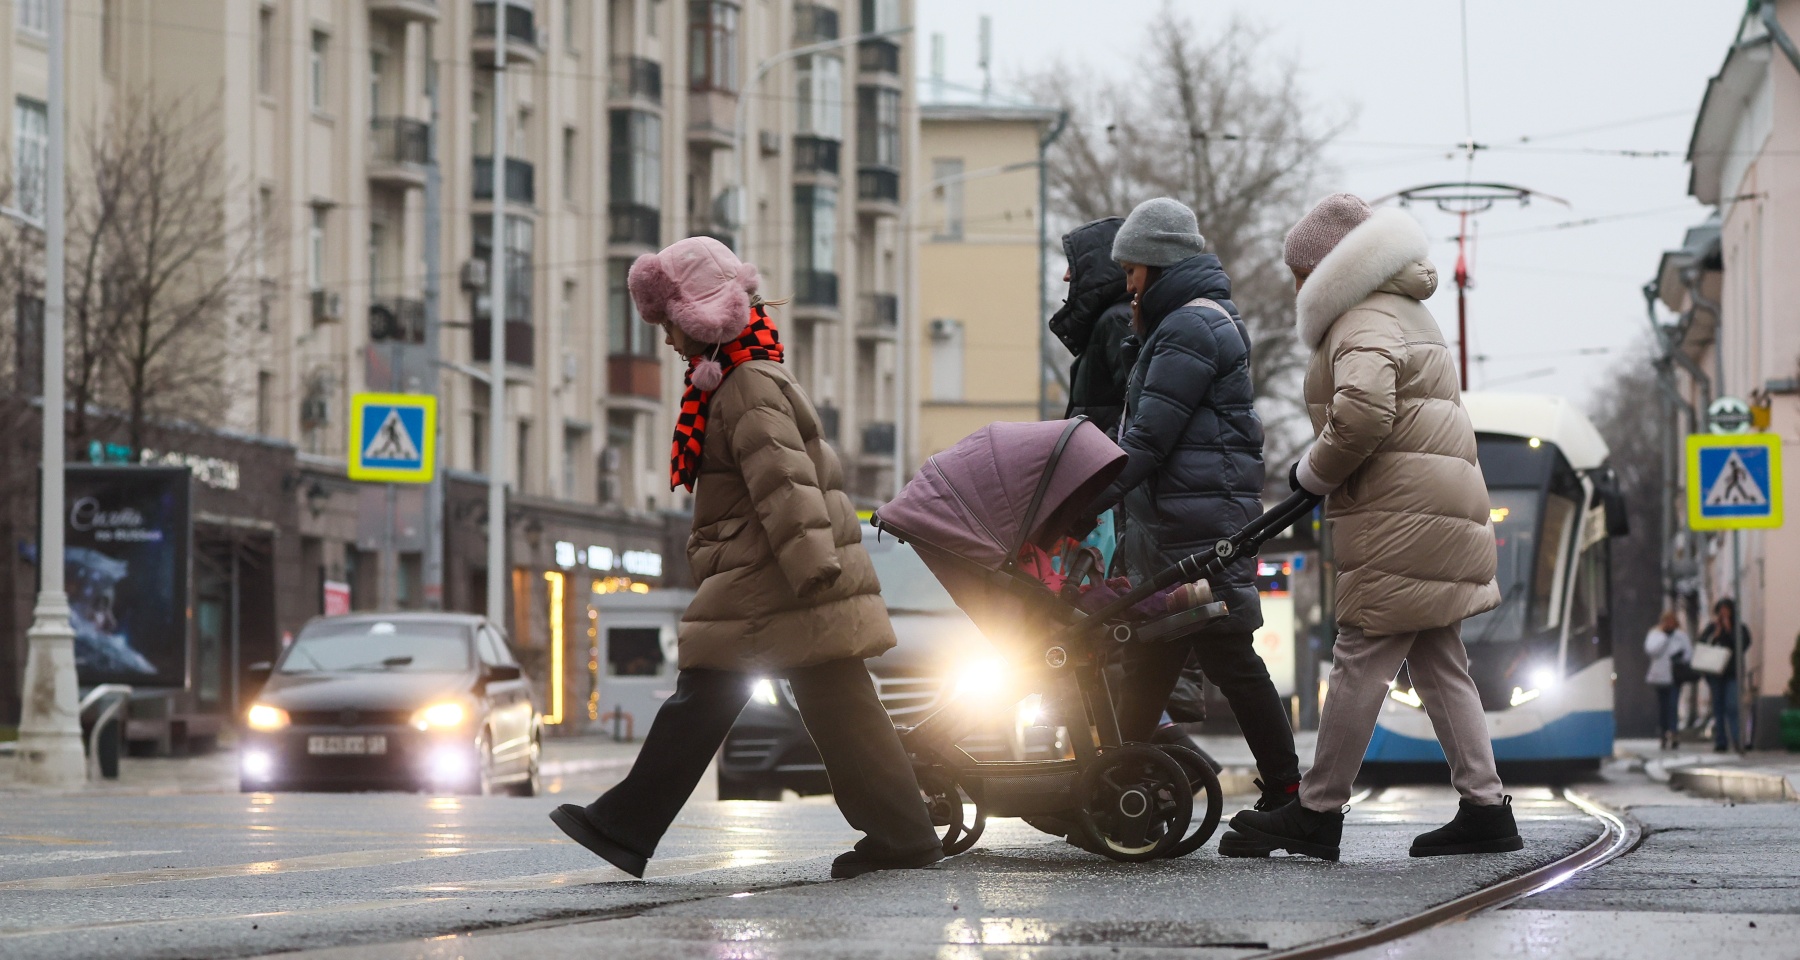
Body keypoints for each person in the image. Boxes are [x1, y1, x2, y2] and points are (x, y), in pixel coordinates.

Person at [549, 237, 943, 880]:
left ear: (700, 314)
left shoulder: (744, 383)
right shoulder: (745, 372)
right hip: (777, 571)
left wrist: (815, 566)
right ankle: (904, 835)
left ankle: (625, 824)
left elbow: (783, 480)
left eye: (672, 323)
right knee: (839, 706)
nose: (669, 340)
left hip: (773, 575)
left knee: (706, 692)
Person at [1230, 194, 1520, 862]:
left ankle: (1317, 808)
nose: (1297, 286)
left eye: (1302, 272)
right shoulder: (1401, 309)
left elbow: (1361, 413)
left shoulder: (1361, 317)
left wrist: (1312, 473)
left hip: (1399, 513)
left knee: (1360, 652)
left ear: (1331, 267)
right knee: (1441, 660)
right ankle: (1485, 806)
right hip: (1427, 506)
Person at [1081, 198, 1303, 856]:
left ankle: (1288, 793)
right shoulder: (1184, 325)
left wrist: (1078, 501)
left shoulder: (1187, 330)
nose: (1127, 283)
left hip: (1197, 534)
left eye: (1133, 269)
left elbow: (1146, 440)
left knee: (1230, 657)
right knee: (1152, 659)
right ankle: (1114, 784)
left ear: (1160, 264)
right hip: (1186, 528)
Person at [1050, 216, 1135, 437]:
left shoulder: (1117, 320)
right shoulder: (1110, 319)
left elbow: (1136, 408)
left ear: (1099, 266)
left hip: (1107, 463)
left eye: (1074, 264)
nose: (1066, 276)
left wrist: (1102, 460)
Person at [1697, 597, 1752, 753]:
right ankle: (1721, 741)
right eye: (1721, 611)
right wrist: (1716, 634)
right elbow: (1702, 646)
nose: (1724, 614)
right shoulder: (1712, 628)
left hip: (1732, 673)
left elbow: (1742, 645)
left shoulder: (1739, 628)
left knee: (1732, 706)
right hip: (1715, 674)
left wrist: (1729, 631)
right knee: (1718, 708)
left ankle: (1737, 739)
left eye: (1727, 611)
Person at [1644, 610, 1693, 751]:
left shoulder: (1680, 636)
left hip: (1675, 676)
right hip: (1660, 676)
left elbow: (1688, 653)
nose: (1669, 624)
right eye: (1666, 621)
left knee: (1673, 706)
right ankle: (1663, 733)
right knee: (1663, 707)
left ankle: (1674, 733)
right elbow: (1651, 650)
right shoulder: (1655, 634)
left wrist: (1680, 657)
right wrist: (1664, 638)